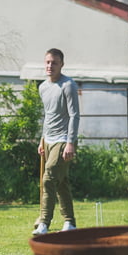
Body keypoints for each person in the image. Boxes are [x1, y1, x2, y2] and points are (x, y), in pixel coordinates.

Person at [33, 48, 80, 235]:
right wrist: (42, 140)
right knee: (61, 183)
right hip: (48, 140)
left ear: (61, 64)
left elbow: (74, 115)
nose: (50, 66)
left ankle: (44, 222)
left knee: (49, 178)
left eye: (54, 62)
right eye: (47, 62)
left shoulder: (68, 85)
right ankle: (70, 222)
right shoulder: (43, 87)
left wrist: (71, 143)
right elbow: (47, 116)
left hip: (63, 140)